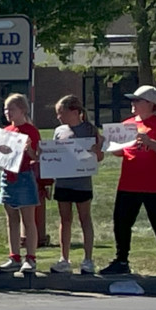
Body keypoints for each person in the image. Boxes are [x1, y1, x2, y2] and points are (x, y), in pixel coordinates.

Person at [108, 85, 156, 277]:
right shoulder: (127, 124)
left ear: (150, 104)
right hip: (129, 183)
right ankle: (121, 260)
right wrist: (112, 146)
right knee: (121, 223)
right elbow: (119, 151)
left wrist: (150, 142)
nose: (133, 104)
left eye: (137, 100)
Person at [52, 95, 103, 276]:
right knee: (65, 220)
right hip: (63, 181)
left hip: (82, 182)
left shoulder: (90, 129)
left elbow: (99, 157)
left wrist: (97, 151)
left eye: (61, 113)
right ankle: (64, 259)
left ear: (75, 112)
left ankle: (88, 259)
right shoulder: (59, 131)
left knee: (84, 218)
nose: (59, 117)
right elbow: (54, 155)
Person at [0, 94, 43, 277]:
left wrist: (29, 148)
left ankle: (30, 258)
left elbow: (36, 156)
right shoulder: (6, 130)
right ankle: (14, 256)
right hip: (7, 176)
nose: (8, 113)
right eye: (6, 110)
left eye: (11, 109)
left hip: (24, 176)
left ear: (22, 110)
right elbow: (0, 156)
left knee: (28, 220)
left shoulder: (30, 130)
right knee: (11, 218)